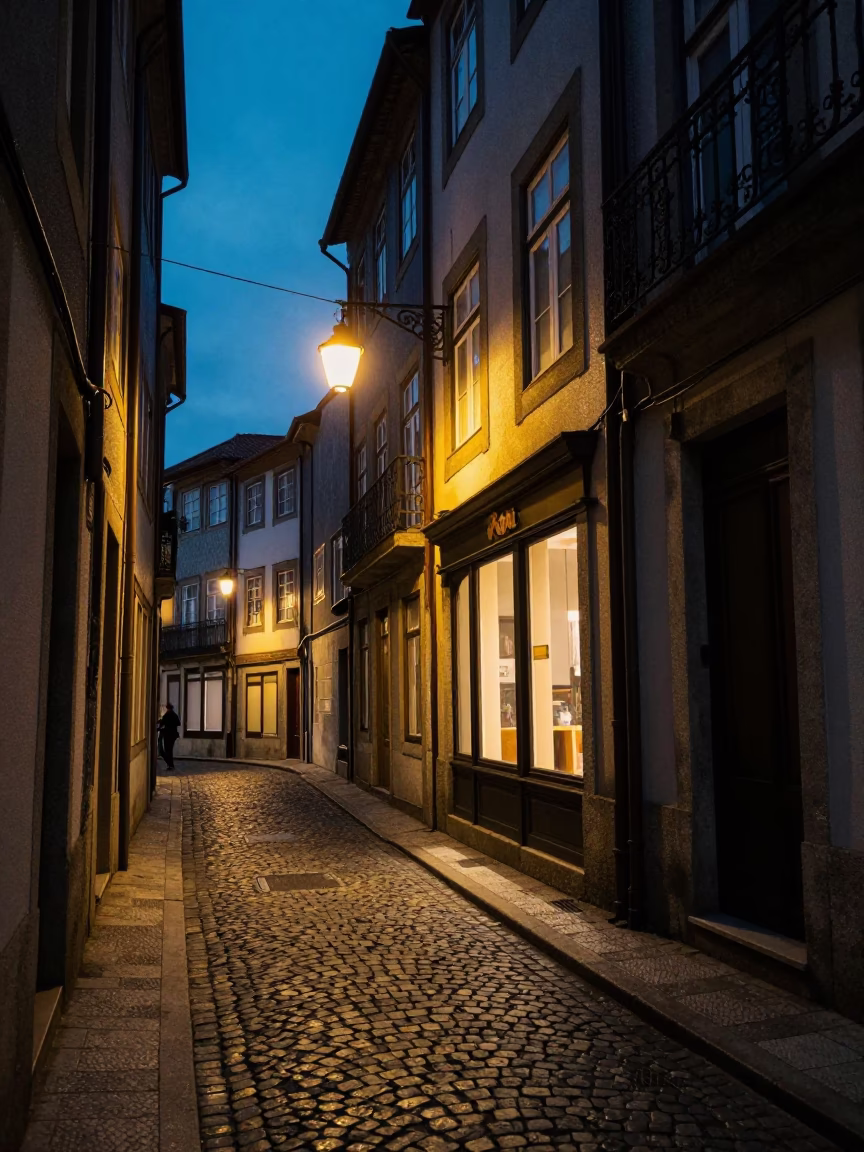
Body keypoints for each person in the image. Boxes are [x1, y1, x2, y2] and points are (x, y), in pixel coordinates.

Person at [157, 701, 181, 771]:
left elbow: (162, 723)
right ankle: (170, 764)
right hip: (173, 735)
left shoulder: (167, 715)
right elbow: (178, 723)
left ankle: (170, 764)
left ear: (167, 708)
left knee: (166, 750)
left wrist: (159, 727)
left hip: (168, 735)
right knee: (169, 750)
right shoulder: (174, 715)